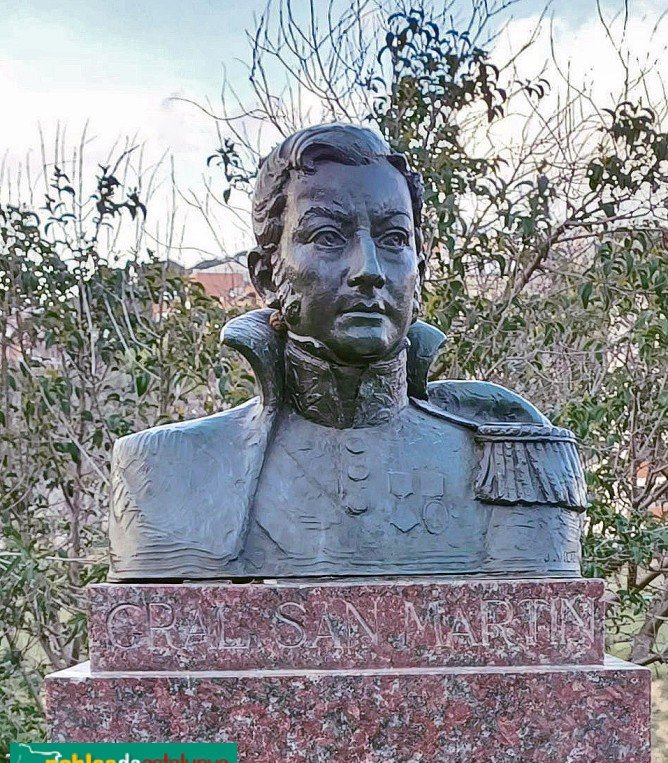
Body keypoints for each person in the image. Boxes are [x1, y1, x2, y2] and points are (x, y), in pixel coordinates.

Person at [108, 124, 586, 581]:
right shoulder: (168, 466)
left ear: (419, 271)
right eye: (327, 237)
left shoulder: (507, 451)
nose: (369, 270)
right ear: (267, 276)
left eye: (394, 239)